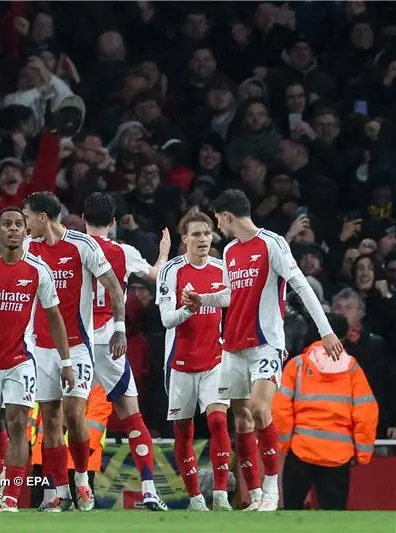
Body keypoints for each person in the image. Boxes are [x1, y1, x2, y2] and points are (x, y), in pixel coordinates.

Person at [182, 190, 342, 511]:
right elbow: (229, 294)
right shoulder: (228, 251)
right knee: (241, 420)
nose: (217, 228)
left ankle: (272, 490)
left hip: (266, 343)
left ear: (227, 216)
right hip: (233, 347)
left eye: (218, 221)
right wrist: (203, 299)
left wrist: (326, 331)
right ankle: (255, 495)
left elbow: (300, 284)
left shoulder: (271, 243)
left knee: (259, 409)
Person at [0, 206, 73, 512]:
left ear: (25, 231)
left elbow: (55, 318)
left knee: (18, 424)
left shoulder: (38, 270)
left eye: (18, 224)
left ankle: (10, 500)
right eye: (6, 224)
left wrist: (66, 361)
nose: (12, 229)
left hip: (22, 360)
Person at [22, 191, 126, 512]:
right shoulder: (28, 249)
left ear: (42, 217)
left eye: (27, 218)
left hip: (78, 345)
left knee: (73, 414)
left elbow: (113, 286)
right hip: (40, 347)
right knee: (50, 421)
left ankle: (81, 478)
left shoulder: (83, 246)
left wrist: (119, 328)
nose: (25, 226)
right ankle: (58, 492)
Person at [82, 192, 170, 511]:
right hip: (110, 344)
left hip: (76, 344)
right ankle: (148, 488)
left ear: (82, 218)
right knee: (131, 414)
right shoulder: (124, 251)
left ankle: (65, 490)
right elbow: (156, 277)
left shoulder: (73, 249)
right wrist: (163, 254)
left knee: (58, 418)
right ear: (114, 222)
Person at [155, 209, 233, 511]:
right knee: (183, 431)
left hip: (215, 359)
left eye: (207, 233)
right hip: (180, 363)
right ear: (184, 238)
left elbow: (229, 298)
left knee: (217, 420)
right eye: (196, 234)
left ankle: (222, 495)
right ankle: (195, 497)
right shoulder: (171, 271)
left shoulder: (221, 267)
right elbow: (165, 320)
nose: (203, 239)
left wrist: (204, 300)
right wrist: (188, 310)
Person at [274, 314, 378, 510]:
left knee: (290, 514)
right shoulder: (352, 368)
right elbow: (366, 413)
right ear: (343, 338)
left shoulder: (298, 365)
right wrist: (362, 453)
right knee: (335, 519)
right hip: (338, 455)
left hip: (301, 452)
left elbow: (281, 409)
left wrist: (286, 443)